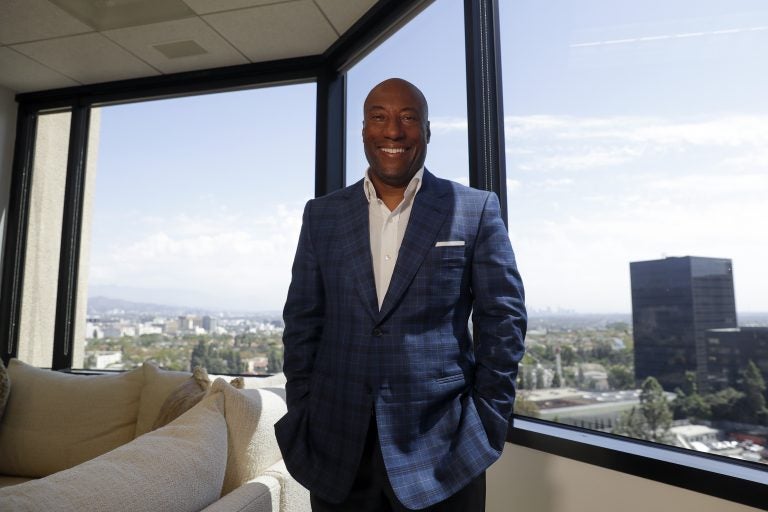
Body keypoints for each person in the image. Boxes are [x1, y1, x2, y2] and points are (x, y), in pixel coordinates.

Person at [275, 78, 526, 511]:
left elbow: (503, 321)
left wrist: (488, 420)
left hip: (443, 452)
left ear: (426, 132)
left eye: (408, 118)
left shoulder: (474, 208)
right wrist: (303, 406)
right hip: (336, 446)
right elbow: (302, 323)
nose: (393, 131)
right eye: (379, 117)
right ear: (364, 130)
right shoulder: (322, 216)